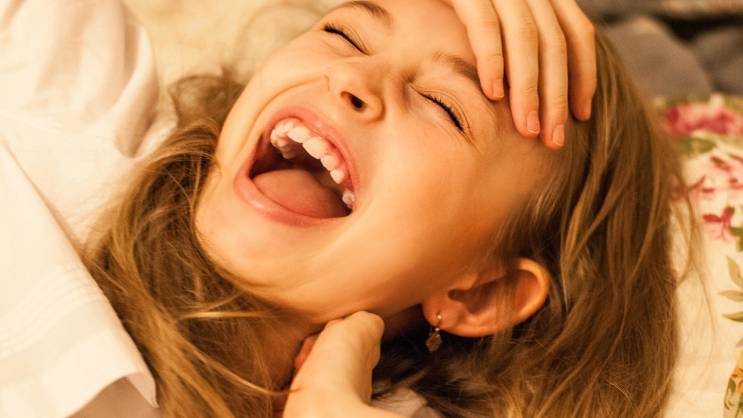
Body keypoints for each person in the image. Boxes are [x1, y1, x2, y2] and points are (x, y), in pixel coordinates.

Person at [0, 0, 698, 417]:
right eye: (345, 34)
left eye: (444, 106)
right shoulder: (76, 110)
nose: (354, 76)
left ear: (481, 292)